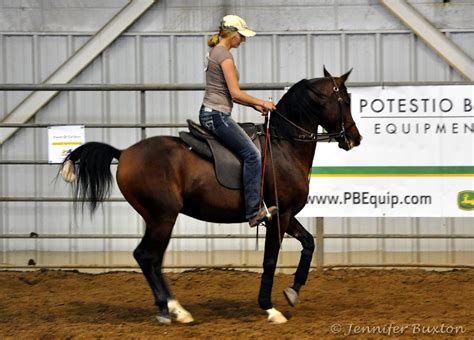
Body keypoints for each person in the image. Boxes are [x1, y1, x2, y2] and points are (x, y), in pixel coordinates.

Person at [199, 15, 278, 227]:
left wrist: (254, 105)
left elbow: (228, 93)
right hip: (216, 115)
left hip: (214, 112)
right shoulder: (224, 56)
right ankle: (254, 210)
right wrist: (263, 102)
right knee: (253, 154)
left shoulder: (218, 52)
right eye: (241, 37)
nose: (243, 41)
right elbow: (234, 93)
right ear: (233, 34)